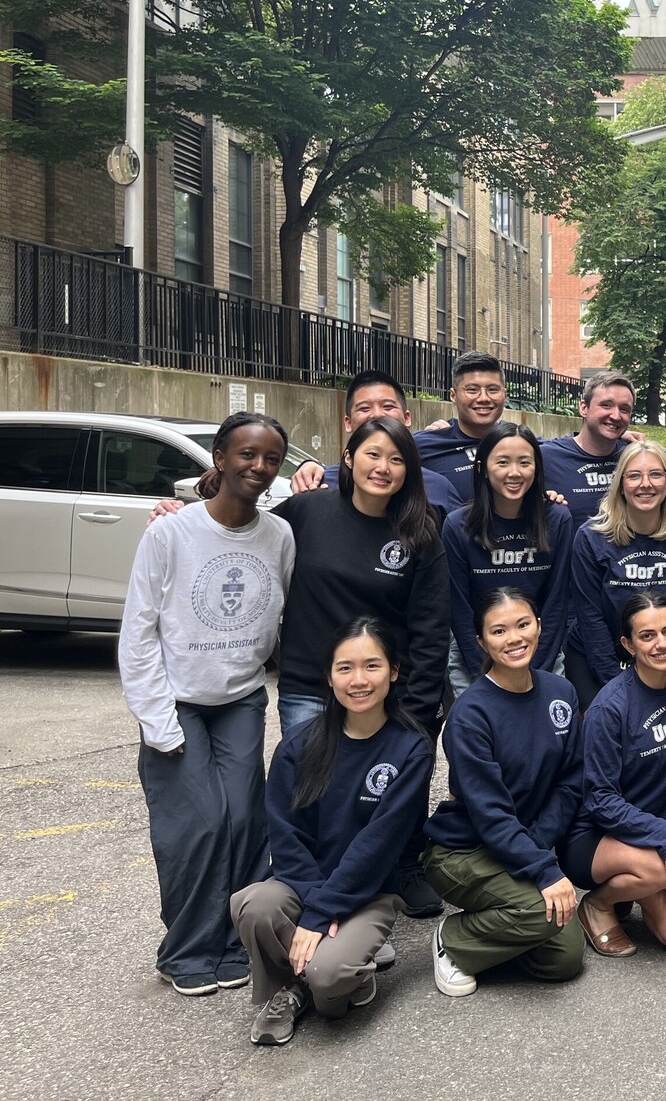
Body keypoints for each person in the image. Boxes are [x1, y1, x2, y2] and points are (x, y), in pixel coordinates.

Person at [119, 412, 296, 996]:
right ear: (218, 458)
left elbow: (284, 607)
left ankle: (233, 941)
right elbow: (138, 631)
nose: (259, 468)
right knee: (196, 825)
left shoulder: (278, 534)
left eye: (271, 458)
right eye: (247, 454)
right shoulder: (170, 533)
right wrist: (157, 720)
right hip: (179, 701)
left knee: (245, 822)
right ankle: (187, 950)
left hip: (241, 696)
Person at [271, 416, 448, 916]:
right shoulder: (306, 511)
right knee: (317, 789)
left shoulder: (420, 531)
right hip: (312, 685)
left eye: (396, 459)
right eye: (373, 454)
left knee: (392, 788)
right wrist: (180, 511)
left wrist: (415, 708)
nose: (384, 468)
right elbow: (242, 531)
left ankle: (403, 867)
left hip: (389, 689)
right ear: (348, 458)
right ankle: (319, 893)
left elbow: (432, 627)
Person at [229, 618, 433, 1044]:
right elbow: (285, 838)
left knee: (329, 977)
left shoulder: (411, 748)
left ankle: (331, 979)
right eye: (345, 668)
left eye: (372, 666)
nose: (358, 680)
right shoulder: (299, 745)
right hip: (303, 885)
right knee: (254, 905)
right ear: (329, 675)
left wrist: (323, 914)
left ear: (394, 671)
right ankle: (289, 989)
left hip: (370, 891)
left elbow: (378, 847)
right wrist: (317, 905)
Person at [423, 588, 587, 996]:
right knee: (544, 914)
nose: (514, 638)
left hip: (521, 843)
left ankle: (497, 935)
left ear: (539, 627)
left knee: (564, 959)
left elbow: (571, 780)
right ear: (481, 642)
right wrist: (544, 870)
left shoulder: (560, 693)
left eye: (522, 624)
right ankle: (454, 938)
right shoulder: (470, 715)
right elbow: (490, 815)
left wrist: (536, 847)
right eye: (499, 630)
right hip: (464, 850)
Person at [562, 594, 666, 959]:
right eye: (647, 636)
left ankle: (635, 888)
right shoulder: (609, 708)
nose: (662, 643)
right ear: (627, 644)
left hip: (657, 840)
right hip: (595, 836)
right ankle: (599, 903)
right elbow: (600, 799)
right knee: (660, 871)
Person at [568, 441, 666, 708]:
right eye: (634, 475)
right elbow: (590, 617)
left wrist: (663, 677)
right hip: (598, 659)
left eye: (655, 474)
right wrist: (618, 685)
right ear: (620, 485)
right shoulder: (591, 537)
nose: (645, 484)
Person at [442, 422, 574, 695]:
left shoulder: (558, 519)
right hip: (476, 656)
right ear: (482, 469)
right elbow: (459, 608)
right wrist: (492, 672)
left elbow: (556, 601)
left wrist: (531, 668)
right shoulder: (457, 526)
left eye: (524, 462)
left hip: (541, 651)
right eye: (502, 462)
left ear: (536, 468)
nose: (514, 472)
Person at [286, 370, 461, 510]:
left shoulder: (439, 489)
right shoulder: (319, 485)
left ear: (407, 418)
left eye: (388, 406)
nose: (377, 414)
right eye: (364, 408)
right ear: (348, 422)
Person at [540, 370, 635, 519]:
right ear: (584, 408)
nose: (616, 416)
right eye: (606, 405)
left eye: (624, 409)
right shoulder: (546, 458)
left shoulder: (633, 458)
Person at [412, 351, 512, 492]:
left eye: (493, 390)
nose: (483, 398)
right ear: (453, 395)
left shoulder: (521, 443)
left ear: (504, 395)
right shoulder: (422, 446)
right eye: (472, 390)